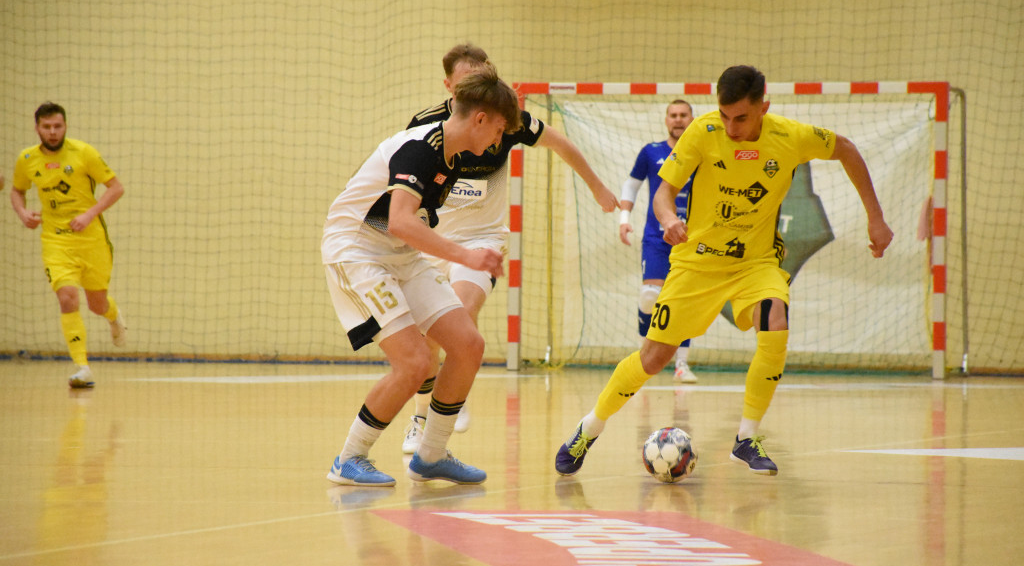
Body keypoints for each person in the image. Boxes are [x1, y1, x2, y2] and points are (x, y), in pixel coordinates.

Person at [555, 65, 894, 477]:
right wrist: (666, 221)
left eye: (742, 118)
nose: (731, 127)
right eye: (725, 115)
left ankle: (745, 439)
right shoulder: (704, 131)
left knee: (775, 317)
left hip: (756, 263)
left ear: (764, 107)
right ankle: (589, 428)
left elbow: (846, 148)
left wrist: (875, 217)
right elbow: (663, 194)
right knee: (654, 356)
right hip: (697, 263)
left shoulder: (790, 136)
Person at [400, 43, 618, 454]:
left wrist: (598, 187)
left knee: (460, 314)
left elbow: (561, 144)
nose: (476, 89)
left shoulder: (508, 120)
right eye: (465, 83)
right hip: (436, 239)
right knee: (427, 335)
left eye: (481, 78)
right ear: (449, 86)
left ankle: (451, 400)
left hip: (481, 241)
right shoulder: (426, 126)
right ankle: (419, 419)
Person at [323, 64, 522, 487]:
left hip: (397, 253)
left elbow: (408, 228)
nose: (500, 141)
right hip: (357, 250)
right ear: (481, 118)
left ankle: (431, 455)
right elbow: (399, 221)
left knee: (468, 344)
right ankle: (349, 458)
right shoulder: (421, 148)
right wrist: (467, 255)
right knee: (414, 362)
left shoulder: (454, 156)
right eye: (500, 130)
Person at [10, 102, 127, 388]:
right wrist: (23, 213)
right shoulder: (27, 159)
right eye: (47, 127)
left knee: (96, 304)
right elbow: (17, 190)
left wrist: (89, 214)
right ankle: (82, 367)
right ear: (37, 128)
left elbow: (116, 187)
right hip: (55, 239)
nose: (52, 132)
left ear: (65, 126)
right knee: (67, 298)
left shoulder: (84, 152)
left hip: (91, 240)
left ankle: (113, 316)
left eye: (57, 126)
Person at [619, 99, 698, 383]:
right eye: (673, 115)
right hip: (657, 237)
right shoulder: (651, 152)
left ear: (692, 119)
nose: (678, 120)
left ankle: (681, 365)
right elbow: (632, 184)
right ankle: (645, 354)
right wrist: (623, 218)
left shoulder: (702, 153)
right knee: (650, 297)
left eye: (683, 115)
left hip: (692, 241)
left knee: (685, 304)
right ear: (667, 120)